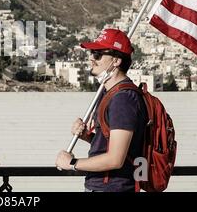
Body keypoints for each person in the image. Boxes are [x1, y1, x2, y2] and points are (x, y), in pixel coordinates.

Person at [55, 28, 148, 192]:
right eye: (92, 52)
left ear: (116, 61)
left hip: (113, 187)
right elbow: (113, 144)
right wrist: (88, 137)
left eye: (98, 54)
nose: (91, 58)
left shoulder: (123, 99)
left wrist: (72, 163)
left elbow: (116, 158)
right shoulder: (110, 93)